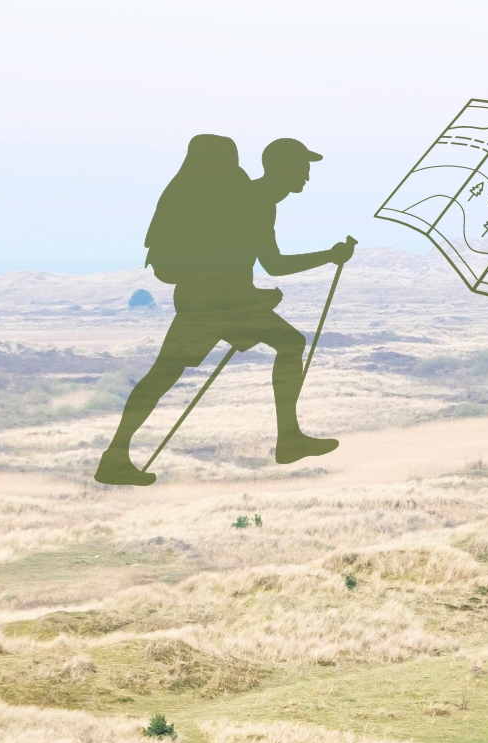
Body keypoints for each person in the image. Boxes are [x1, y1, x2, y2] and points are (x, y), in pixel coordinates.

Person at [97, 136, 357, 486]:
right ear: (282, 168)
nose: (307, 176)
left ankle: (115, 456)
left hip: (211, 302)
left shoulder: (253, 198)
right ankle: (289, 440)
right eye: (302, 167)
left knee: (167, 374)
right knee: (167, 374)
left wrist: (255, 298)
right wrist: (327, 256)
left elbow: (248, 262)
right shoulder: (256, 200)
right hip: (215, 305)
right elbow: (272, 264)